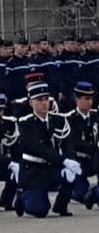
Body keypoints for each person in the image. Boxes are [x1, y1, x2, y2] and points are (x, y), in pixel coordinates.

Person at [15, 82, 79, 218]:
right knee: (40, 211)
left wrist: (71, 160)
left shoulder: (59, 120)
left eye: (46, 99)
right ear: (31, 103)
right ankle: (21, 195)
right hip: (34, 171)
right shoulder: (25, 123)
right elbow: (38, 148)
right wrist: (64, 161)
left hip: (52, 168)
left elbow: (67, 144)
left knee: (73, 173)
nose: (44, 103)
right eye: (39, 100)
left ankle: (61, 206)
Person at [56, 82, 98, 210]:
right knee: (82, 195)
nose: (89, 102)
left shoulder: (96, 116)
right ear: (77, 99)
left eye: (91, 98)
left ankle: (95, 190)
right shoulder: (69, 119)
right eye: (86, 98)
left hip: (95, 160)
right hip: (78, 162)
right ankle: (83, 193)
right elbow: (74, 142)